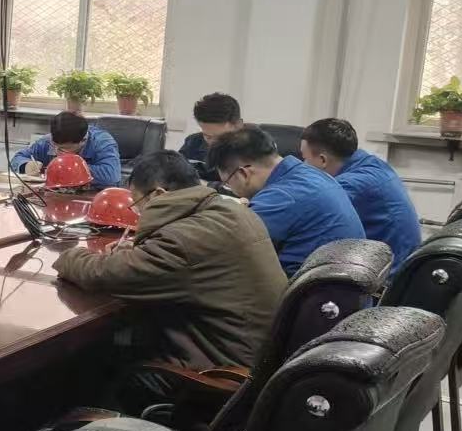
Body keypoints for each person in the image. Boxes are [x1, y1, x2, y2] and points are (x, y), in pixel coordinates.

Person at [54, 151, 287, 409]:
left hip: (221, 377)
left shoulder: (183, 240)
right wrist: (142, 253)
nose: (137, 212)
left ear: (157, 195)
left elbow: (104, 275)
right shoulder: (232, 211)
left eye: (136, 203)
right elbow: (187, 262)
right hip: (253, 358)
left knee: (90, 364)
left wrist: (69, 255)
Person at [208, 126, 364, 275]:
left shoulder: (281, 197)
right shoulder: (309, 173)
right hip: (341, 282)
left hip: (307, 289)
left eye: (227, 183)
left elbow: (221, 246)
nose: (230, 188)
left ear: (243, 173)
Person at [300, 118, 421, 272]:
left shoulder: (351, 185)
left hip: (387, 277)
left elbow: (305, 214)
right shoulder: (369, 163)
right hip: (399, 263)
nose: (302, 165)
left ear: (323, 160)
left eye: (305, 158)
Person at [9, 110, 122, 188]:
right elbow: (18, 158)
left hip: (93, 197)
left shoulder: (102, 142)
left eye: (63, 150)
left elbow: (112, 175)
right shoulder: (47, 141)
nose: (57, 151)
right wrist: (25, 165)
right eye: (55, 146)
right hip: (57, 195)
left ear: (83, 141)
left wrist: (73, 168)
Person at [178, 93, 243, 183]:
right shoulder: (193, 143)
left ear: (238, 125)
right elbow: (176, 174)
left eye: (221, 137)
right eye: (207, 136)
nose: (214, 142)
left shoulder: (254, 150)